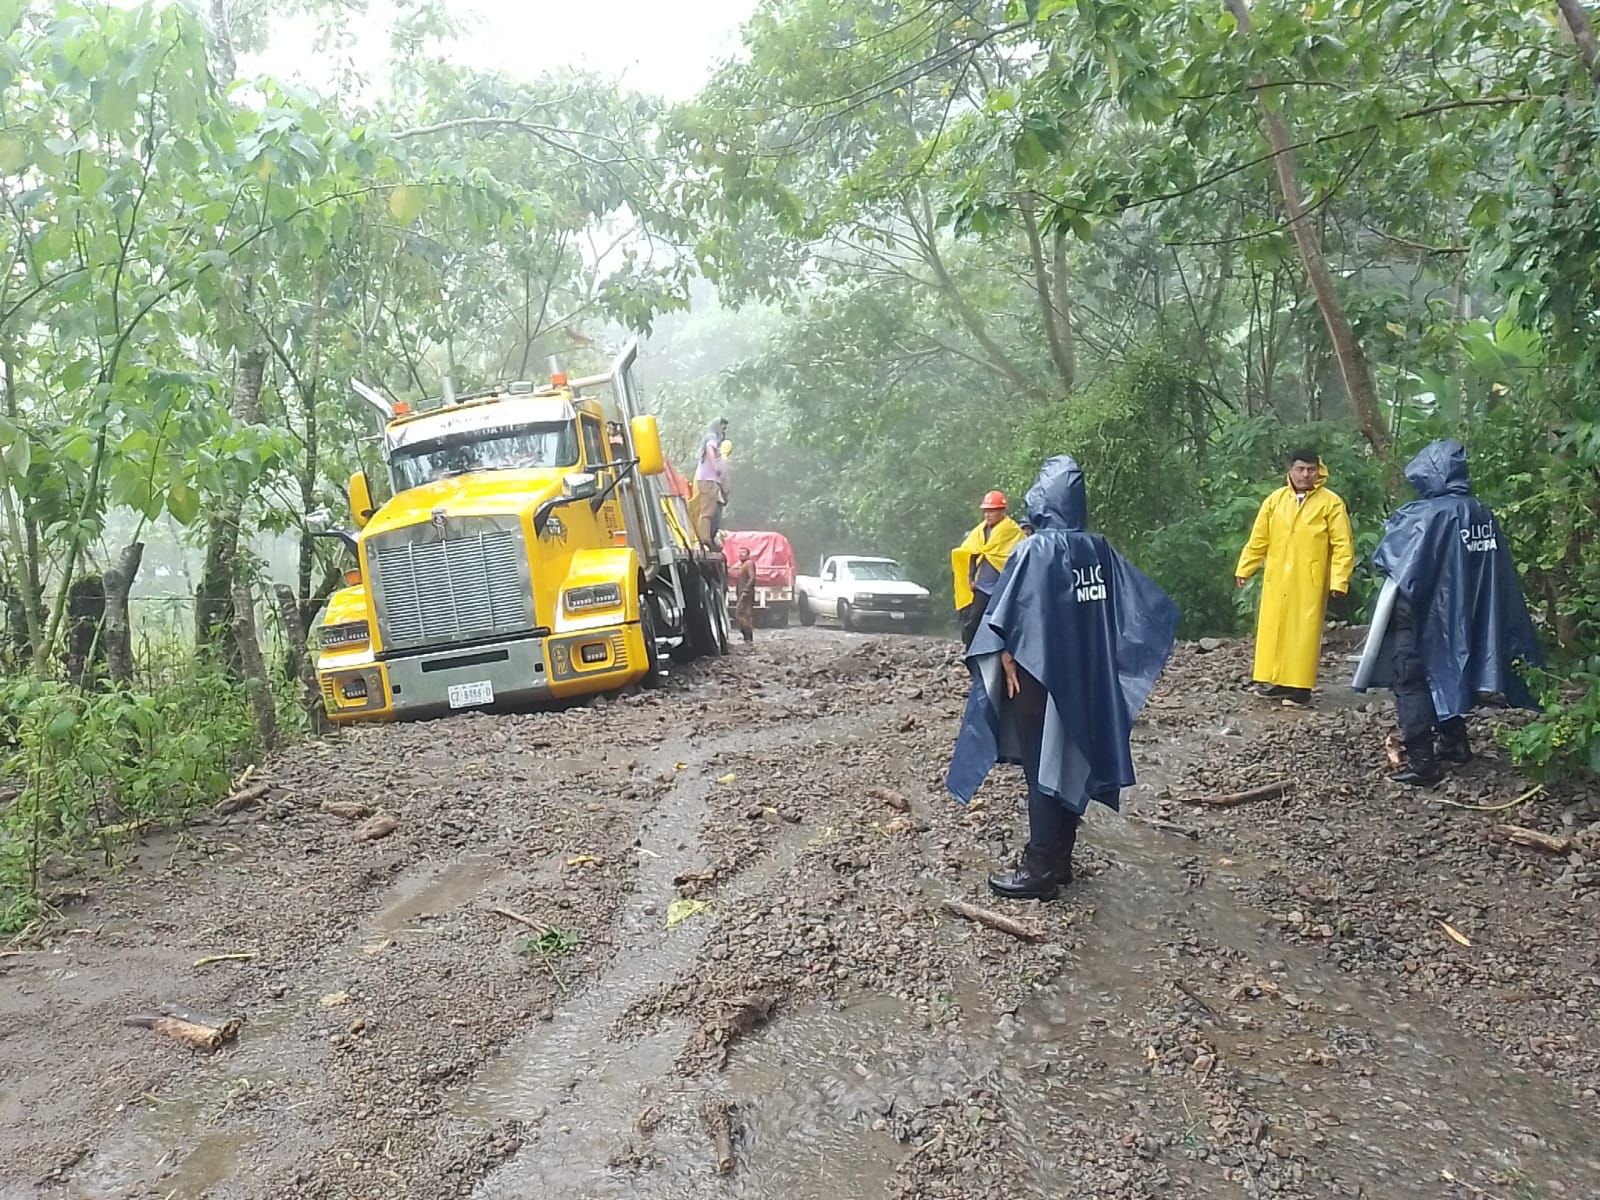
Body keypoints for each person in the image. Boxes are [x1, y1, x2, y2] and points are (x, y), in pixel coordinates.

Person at [947, 457, 1179, 901]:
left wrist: (1007, 659)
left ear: (1043, 498)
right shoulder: (1099, 550)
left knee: (1041, 766)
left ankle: (1039, 868)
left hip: (1038, 676)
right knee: (1071, 754)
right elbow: (1133, 608)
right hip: (1087, 676)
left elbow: (1008, 614)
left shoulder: (1036, 549)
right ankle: (1062, 859)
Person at [1352, 440, 1541, 786]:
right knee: (1444, 673)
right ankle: (1455, 743)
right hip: (1466, 614)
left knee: (1410, 679)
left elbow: (1390, 559)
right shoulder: (1481, 512)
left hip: (1424, 613)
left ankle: (1423, 763)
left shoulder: (1426, 515)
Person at [1234, 447, 1354, 706]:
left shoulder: (1330, 503)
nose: (1305, 475)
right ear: (1291, 469)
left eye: (1311, 469)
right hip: (1277, 576)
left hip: (1309, 579)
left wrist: (1339, 580)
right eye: (1300, 469)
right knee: (1274, 630)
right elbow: (1259, 538)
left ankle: (1300, 689)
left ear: (1318, 471)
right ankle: (1277, 681)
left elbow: (1342, 544)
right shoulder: (1275, 501)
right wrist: (1246, 567)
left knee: (1303, 633)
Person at [951, 490, 1024, 650]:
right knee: (971, 623)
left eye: (992, 511)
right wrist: (971, 579)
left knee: (1001, 624)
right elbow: (972, 552)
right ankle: (971, 652)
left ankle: (1002, 654)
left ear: (1002, 511)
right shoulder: (980, 531)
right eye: (986, 511)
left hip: (1002, 588)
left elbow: (1020, 557)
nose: (987, 515)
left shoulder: (1012, 531)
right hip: (983, 586)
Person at [689, 418, 728, 547]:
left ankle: (708, 537)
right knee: (707, 511)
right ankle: (705, 539)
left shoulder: (713, 439)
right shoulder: (712, 438)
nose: (724, 431)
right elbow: (710, 449)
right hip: (708, 480)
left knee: (711, 510)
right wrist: (715, 466)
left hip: (711, 481)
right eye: (723, 428)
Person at [709, 439, 734, 541]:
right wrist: (726, 495)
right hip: (717, 495)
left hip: (707, 495)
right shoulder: (723, 461)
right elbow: (724, 480)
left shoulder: (711, 460)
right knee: (715, 522)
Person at [733, 547, 757, 646]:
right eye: (740, 552)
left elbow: (752, 577)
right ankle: (746, 637)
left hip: (746, 594)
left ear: (748, 554)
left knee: (741, 614)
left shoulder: (749, 563)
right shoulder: (742, 565)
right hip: (742, 593)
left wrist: (746, 591)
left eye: (743, 552)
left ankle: (748, 636)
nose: (741, 554)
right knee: (743, 615)